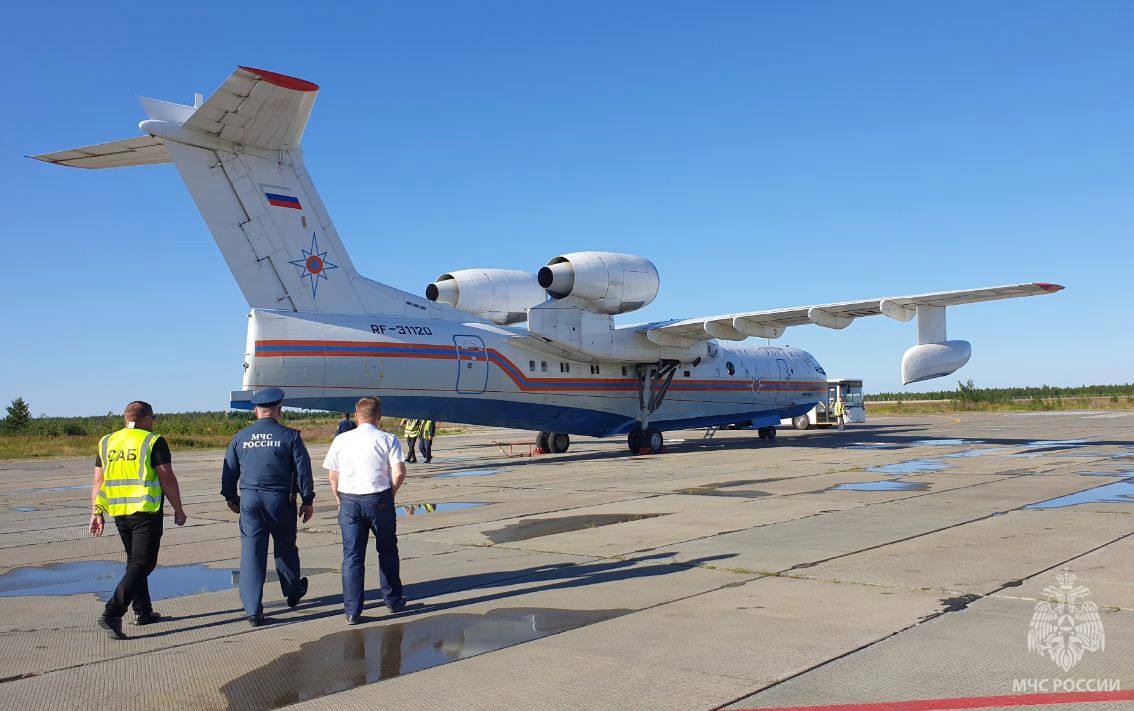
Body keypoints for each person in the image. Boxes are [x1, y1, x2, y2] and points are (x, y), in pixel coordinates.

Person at [89, 401, 187, 640]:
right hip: (145, 510)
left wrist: (96, 511)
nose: (154, 422)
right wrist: (178, 508)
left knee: (135, 562)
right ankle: (113, 612)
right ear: (145, 417)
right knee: (144, 563)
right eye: (153, 418)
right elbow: (167, 477)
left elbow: (98, 482)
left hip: (119, 512)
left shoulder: (107, 442)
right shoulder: (153, 440)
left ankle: (143, 611)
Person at [221, 387, 315, 626]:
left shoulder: (240, 437)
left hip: (250, 500)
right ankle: (292, 591)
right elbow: (303, 471)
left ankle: (253, 610)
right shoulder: (290, 436)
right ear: (279, 410)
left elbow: (229, 471)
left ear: (256, 411)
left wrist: (232, 499)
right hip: (279, 500)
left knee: (252, 552)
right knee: (285, 547)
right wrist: (308, 499)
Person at [324, 396, 408, 624]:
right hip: (379, 498)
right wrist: (390, 494)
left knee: (352, 557)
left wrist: (339, 498)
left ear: (356, 416)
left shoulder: (341, 440)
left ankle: (352, 611)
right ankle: (392, 600)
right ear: (378, 416)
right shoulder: (388, 439)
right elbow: (399, 472)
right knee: (387, 551)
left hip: (350, 500)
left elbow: (333, 475)